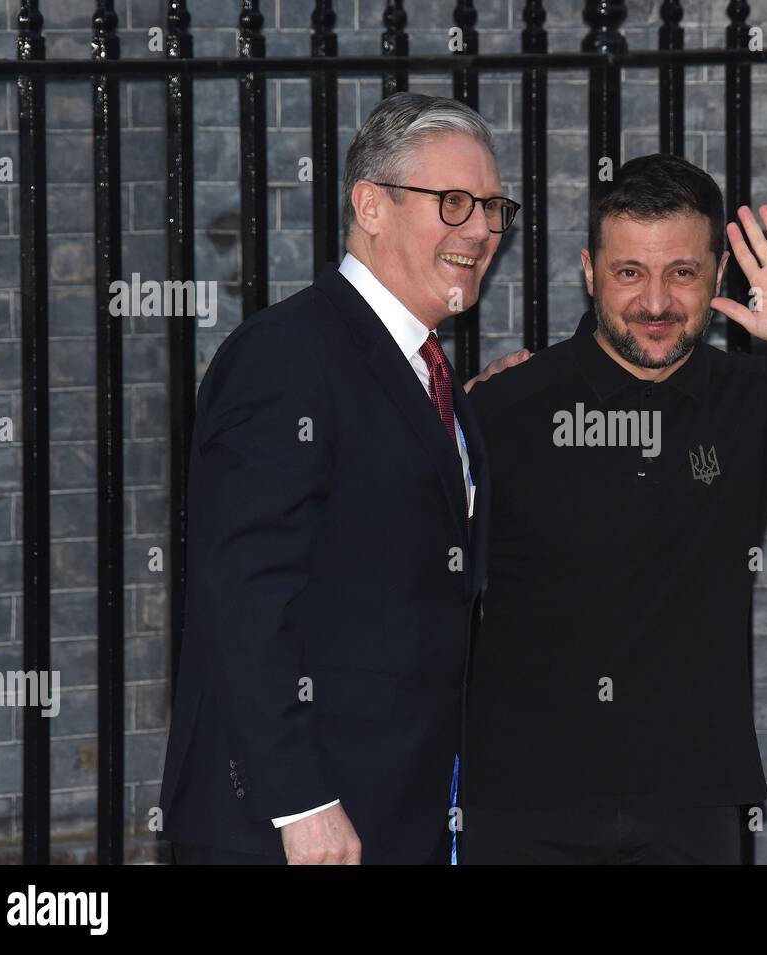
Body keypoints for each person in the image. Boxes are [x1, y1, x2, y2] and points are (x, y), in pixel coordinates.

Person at [461, 153, 767, 864]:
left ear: (718, 277)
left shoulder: (754, 398)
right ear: (589, 271)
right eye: (629, 272)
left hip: (691, 801)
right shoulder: (508, 405)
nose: (656, 302)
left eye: (683, 273)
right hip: (521, 798)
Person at [158, 92, 521, 864]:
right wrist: (302, 801)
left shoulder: (430, 376)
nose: (483, 229)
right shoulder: (286, 357)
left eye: (493, 207)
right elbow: (246, 589)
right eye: (454, 202)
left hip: (400, 811)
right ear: (371, 206)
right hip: (298, 831)